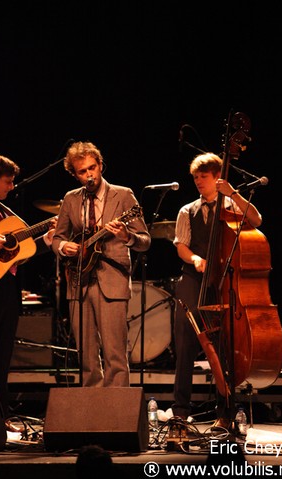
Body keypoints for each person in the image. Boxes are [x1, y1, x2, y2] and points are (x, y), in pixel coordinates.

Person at [172, 152, 262, 428]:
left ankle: (225, 410)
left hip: (225, 283)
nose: (199, 181)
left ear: (217, 178)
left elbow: (256, 220)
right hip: (194, 278)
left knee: (224, 348)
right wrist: (196, 258)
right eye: (196, 177)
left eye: (204, 176)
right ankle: (180, 411)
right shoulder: (187, 210)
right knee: (185, 343)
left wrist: (233, 194)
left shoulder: (232, 208)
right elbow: (181, 246)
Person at [52, 141, 151, 388]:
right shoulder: (71, 199)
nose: (90, 175)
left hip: (112, 279)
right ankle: (91, 413)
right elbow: (57, 238)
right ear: (75, 175)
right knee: (85, 355)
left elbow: (145, 241)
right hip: (78, 281)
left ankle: (116, 414)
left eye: (92, 168)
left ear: (100, 165)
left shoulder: (124, 195)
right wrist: (65, 247)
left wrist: (126, 236)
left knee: (115, 354)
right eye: (83, 171)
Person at [0, 154, 56, 434]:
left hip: (5, 290)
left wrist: (46, 241)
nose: (12, 187)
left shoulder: (6, 214)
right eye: (7, 181)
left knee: (2, 357)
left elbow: (19, 251)